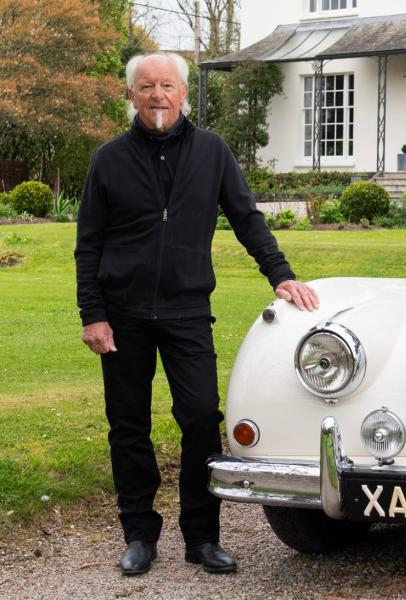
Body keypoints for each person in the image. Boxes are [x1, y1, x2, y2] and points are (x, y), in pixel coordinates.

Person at [74, 52, 319, 576]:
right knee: (128, 425)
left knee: (202, 417)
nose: (157, 95)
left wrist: (281, 274)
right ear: (131, 96)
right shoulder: (108, 160)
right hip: (122, 316)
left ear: (184, 92)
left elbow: (246, 219)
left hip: (187, 312)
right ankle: (139, 534)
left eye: (166, 85)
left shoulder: (213, 152)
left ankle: (202, 537)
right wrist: (92, 314)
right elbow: (88, 244)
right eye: (146, 87)